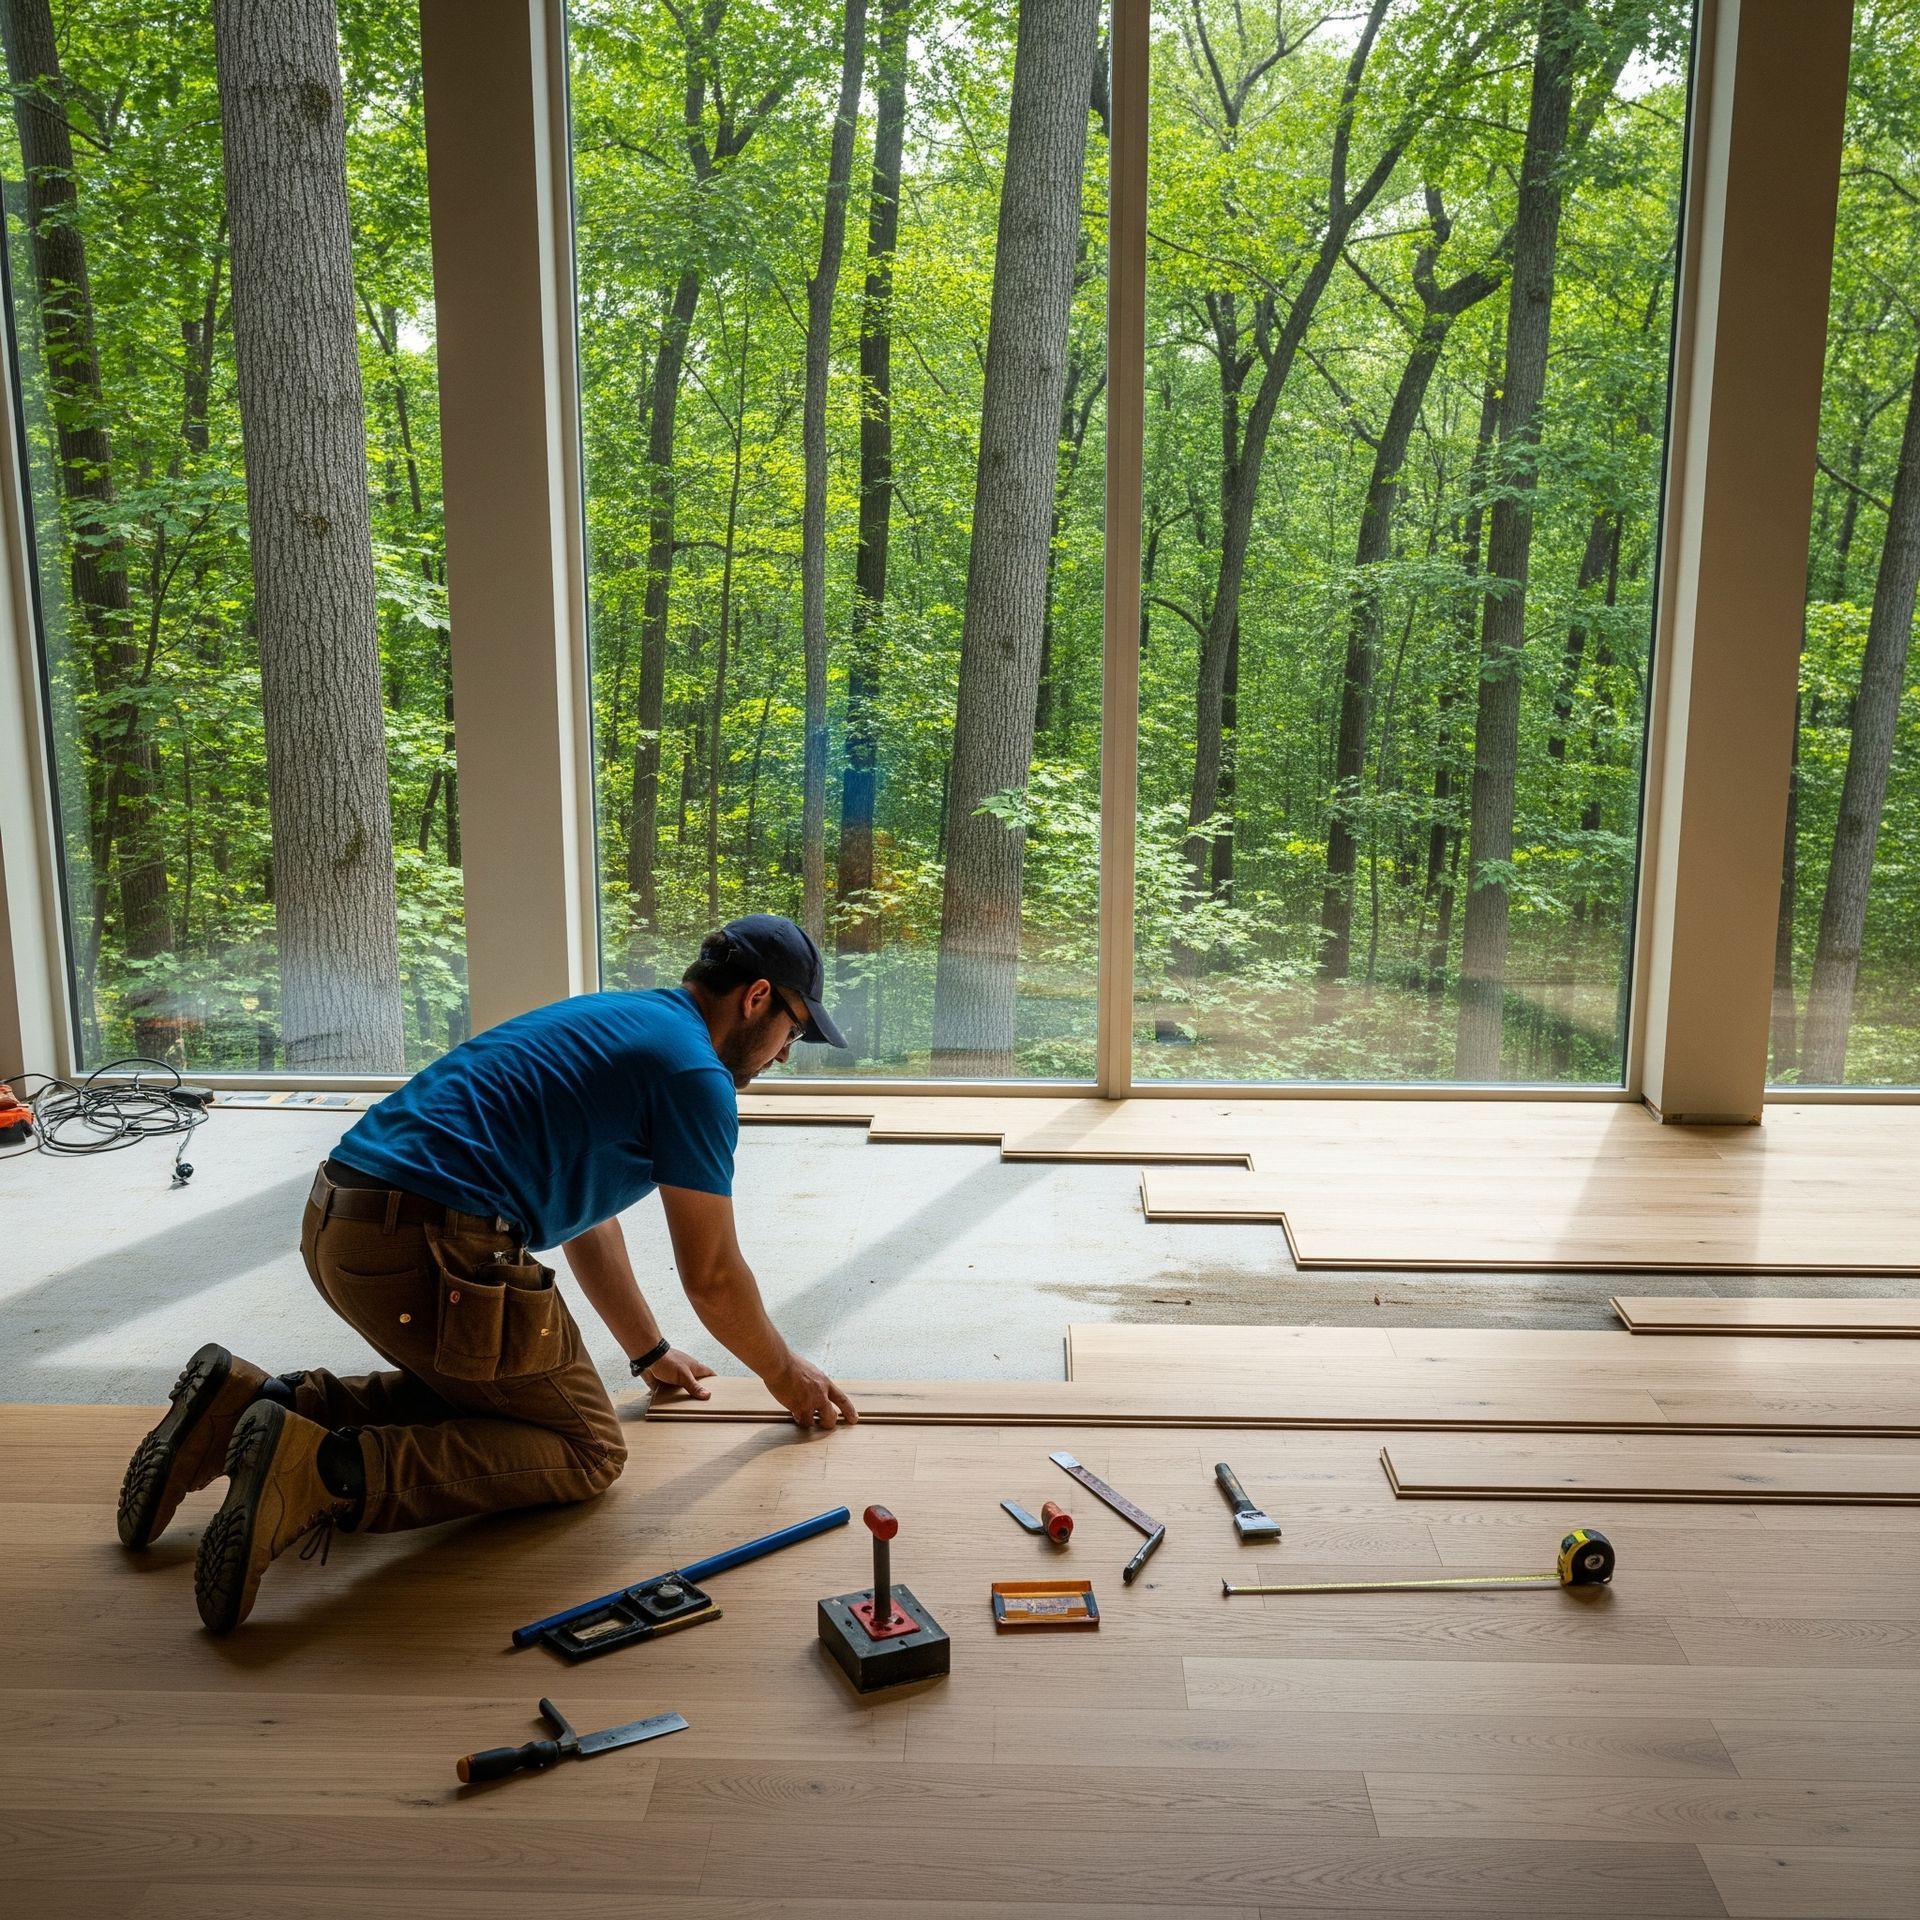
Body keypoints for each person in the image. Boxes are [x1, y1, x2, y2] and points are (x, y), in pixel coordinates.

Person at [116, 915, 859, 1633]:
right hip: (431, 1246)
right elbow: (716, 1277)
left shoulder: (622, 1019)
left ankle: (251, 1404)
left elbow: (589, 1219)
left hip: (340, 1221)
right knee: (587, 1448)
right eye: (793, 1029)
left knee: (509, 1400)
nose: (786, 1053)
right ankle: (329, 1470)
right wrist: (784, 1373)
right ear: (756, 997)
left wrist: (648, 1350)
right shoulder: (695, 1073)